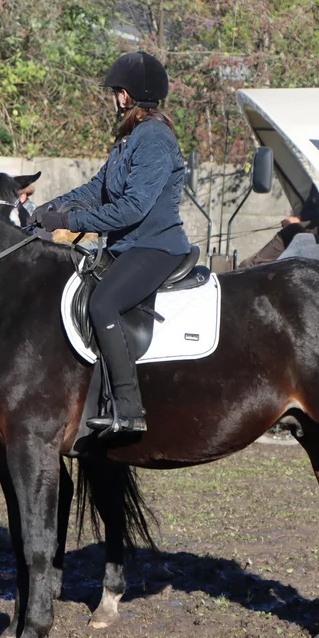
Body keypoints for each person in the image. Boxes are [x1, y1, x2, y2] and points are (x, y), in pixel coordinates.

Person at [33, 50, 190, 436]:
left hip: (157, 247)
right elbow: (96, 188)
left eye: (115, 93)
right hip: (128, 247)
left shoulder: (154, 138)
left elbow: (131, 208)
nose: (113, 99)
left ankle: (128, 407)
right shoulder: (129, 138)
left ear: (126, 95)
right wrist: (47, 208)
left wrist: (68, 221)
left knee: (104, 303)